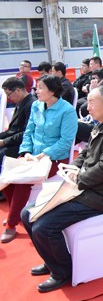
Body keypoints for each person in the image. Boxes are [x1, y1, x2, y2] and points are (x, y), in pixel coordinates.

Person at [21, 86, 103, 292]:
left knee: (43, 227)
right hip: (86, 187)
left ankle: (63, 272)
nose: (87, 107)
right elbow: (85, 153)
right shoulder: (102, 124)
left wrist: (78, 179)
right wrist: (73, 168)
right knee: (27, 214)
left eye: (92, 102)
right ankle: (52, 261)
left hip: (101, 196)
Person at [1, 75, 78, 244]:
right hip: (33, 156)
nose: (36, 91)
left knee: (22, 181)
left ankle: (11, 224)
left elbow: (65, 142)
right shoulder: (36, 106)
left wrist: (44, 154)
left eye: (41, 87)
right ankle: (17, 213)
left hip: (55, 159)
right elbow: (28, 132)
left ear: (52, 90)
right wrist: (26, 151)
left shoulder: (66, 111)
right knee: (6, 176)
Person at [0, 77, 35, 206]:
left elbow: (26, 133)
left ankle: (4, 190)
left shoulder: (31, 104)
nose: (9, 98)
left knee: (2, 154)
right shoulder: (21, 103)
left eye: (9, 94)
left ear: (18, 90)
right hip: (15, 140)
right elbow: (12, 130)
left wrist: (4, 142)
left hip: (24, 144)